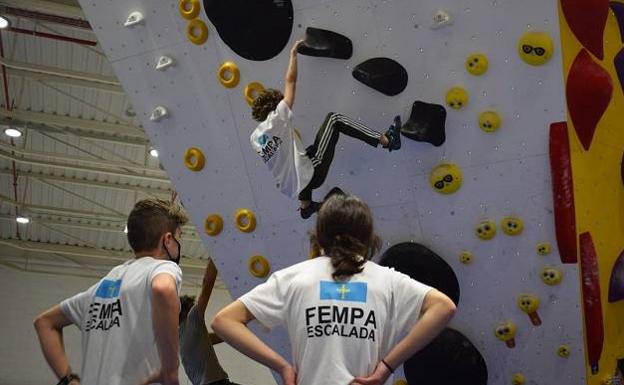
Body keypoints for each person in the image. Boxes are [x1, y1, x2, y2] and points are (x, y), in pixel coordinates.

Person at [211, 193, 456, 385]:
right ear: (368, 234)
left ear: (319, 233)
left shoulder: (293, 278)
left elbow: (224, 321)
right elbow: (443, 307)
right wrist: (386, 368)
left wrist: (282, 366)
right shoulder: (388, 281)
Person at [34, 198, 188, 385]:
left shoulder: (99, 288)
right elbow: (163, 288)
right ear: (168, 240)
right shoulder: (161, 268)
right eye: (179, 238)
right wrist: (171, 369)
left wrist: (69, 380)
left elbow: (44, 322)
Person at [250, 40, 402, 219]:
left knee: (304, 154)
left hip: (293, 187)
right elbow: (290, 81)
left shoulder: (254, 138)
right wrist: (293, 55)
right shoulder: (279, 116)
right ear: (275, 106)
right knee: (334, 119)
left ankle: (306, 206)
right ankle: (387, 140)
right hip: (313, 174)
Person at [179, 259, 242, 385]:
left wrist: (242, 328)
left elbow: (217, 338)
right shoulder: (192, 318)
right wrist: (214, 257)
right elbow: (207, 284)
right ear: (187, 311)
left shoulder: (180, 336)